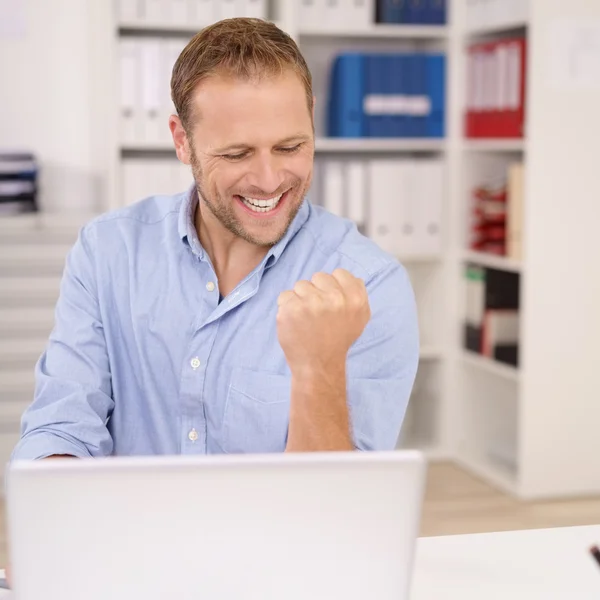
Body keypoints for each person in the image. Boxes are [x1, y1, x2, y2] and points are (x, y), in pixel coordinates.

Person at [10, 17, 419, 461]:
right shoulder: (108, 252)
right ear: (182, 141)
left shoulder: (368, 285)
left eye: (290, 147)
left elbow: (344, 506)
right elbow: (60, 429)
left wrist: (317, 366)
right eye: (237, 153)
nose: (269, 180)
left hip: (280, 533)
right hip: (129, 530)